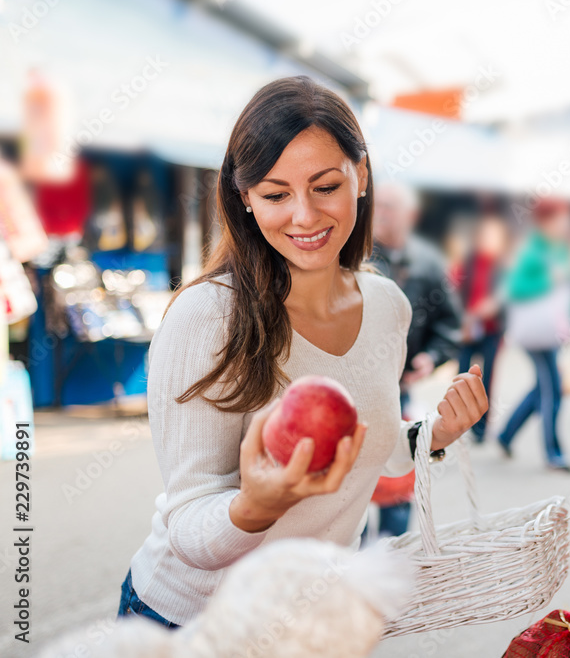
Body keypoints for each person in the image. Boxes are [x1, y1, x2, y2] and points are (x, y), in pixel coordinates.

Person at [119, 76, 488, 628]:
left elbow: (369, 446)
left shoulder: (388, 305)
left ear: (360, 177)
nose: (305, 216)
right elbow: (189, 524)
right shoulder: (206, 319)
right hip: (192, 623)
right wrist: (255, 507)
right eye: (274, 194)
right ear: (244, 198)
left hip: (310, 623)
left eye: (324, 186)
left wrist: (433, 433)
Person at [369, 180, 462, 536]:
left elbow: (450, 323)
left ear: (411, 215)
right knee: (355, 480)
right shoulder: (352, 255)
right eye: (378, 205)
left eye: (390, 207)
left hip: (402, 388)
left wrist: (431, 358)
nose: (381, 214)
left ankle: (392, 555)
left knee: (400, 475)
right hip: (358, 383)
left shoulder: (428, 263)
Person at [497, 198, 570, 472]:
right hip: (535, 334)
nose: (565, 223)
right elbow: (514, 288)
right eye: (560, 218)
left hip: (550, 331)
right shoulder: (532, 250)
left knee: (544, 386)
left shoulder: (559, 249)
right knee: (552, 390)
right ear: (545, 221)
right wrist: (547, 280)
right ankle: (553, 453)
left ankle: (506, 435)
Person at [452, 213, 508, 443]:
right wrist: (463, 317)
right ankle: (456, 422)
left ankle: (481, 428)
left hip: (492, 331)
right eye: (486, 235)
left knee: (487, 380)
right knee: (463, 377)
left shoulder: (502, 267)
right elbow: (453, 291)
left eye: (494, 236)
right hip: (468, 329)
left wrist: (494, 307)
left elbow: (508, 297)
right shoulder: (468, 263)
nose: (490, 240)